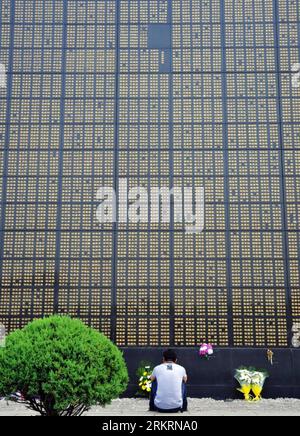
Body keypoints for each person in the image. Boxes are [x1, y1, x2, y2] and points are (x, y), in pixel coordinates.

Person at [149, 349, 188, 413]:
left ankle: (152, 407)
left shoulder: (157, 368)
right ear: (175, 360)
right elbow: (185, 380)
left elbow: (151, 379)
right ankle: (184, 407)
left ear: (163, 359)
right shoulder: (181, 368)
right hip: (177, 407)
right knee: (182, 381)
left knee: (154, 381)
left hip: (159, 407)